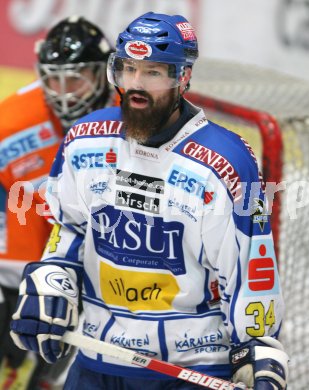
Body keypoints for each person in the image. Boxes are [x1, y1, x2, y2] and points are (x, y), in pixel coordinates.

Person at [9, 12, 289, 390]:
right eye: (128, 69)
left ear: (183, 76)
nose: (136, 85)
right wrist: (53, 277)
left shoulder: (227, 162)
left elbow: (250, 264)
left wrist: (255, 343)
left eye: (153, 72)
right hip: (97, 358)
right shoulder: (84, 140)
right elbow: (70, 225)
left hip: (193, 367)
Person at [0, 15, 114, 389]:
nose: (64, 92)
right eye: (54, 78)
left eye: (76, 78)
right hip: (23, 259)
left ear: (102, 75)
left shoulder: (134, 121)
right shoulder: (12, 124)